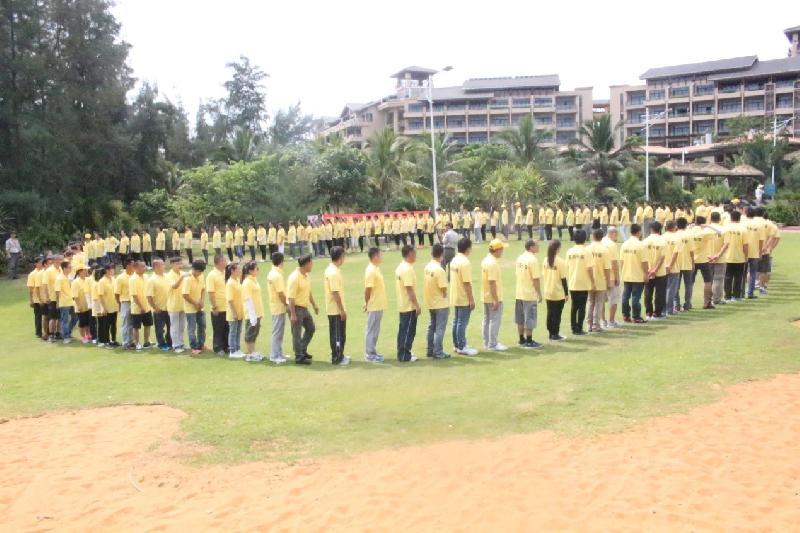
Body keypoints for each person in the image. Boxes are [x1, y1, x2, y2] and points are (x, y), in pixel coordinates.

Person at [287, 254, 318, 365]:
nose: (312, 265)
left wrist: (314, 305)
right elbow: (291, 297)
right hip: (295, 308)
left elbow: (308, 292)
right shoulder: (294, 277)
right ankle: (299, 356)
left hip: (304, 308)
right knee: (297, 332)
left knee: (311, 328)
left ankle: (302, 349)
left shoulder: (306, 276)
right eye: (311, 263)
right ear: (306, 264)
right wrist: (293, 314)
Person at [450, 238, 478, 356]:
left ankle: (457, 345)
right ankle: (461, 346)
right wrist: (471, 299)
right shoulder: (465, 262)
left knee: (456, 321)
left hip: (455, 294)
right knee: (461, 323)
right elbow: (467, 283)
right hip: (463, 296)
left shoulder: (454, 260)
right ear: (468, 248)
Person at [481, 239, 509, 351]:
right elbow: (492, 282)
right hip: (492, 296)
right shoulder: (492, 263)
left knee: (487, 320)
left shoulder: (486, 260)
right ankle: (492, 344)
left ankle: (487, 342)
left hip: (485, 295)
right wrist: (495, 299)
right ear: (497, 250)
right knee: (494, 320)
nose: (502, 252)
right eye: (501, 249)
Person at [514, 240, 543, 349]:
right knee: (529, 318)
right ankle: (529, 341)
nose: (539, 247)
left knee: (520, 318)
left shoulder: (520, 258)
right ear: (531, 247)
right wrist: (539, 293)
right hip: (529, 293)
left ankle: (522, 339)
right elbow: (535, 279)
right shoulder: (533, 260)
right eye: (537, 245)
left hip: (519, 292)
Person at [566, 230, 595, 336]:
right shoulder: (587, 252)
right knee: (582, 307)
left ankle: (573, 327)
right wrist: (592, 281)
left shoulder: (569, 251)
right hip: (583, 283)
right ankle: (579, 327)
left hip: (573, 282)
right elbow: (590, 269)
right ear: (584, 238)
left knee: (574, 306)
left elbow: (567, 266)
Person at [423, 244, 450, 359]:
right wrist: (445, 294)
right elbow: (443, 288)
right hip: (440, 303)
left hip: (431, 301)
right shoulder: (439, 270)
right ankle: (438, 351)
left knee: (432, 327)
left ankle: (430, 350)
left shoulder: (427, 267)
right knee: (439, 329)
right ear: (442, 254)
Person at [324, 246, 349, 366]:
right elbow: (335, 293)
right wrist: (342, 310)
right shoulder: (333, 273)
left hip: (335, 309)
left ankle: (339, 355)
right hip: (335, 310)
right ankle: (337, 357)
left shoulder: (333, 270)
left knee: (338, 334)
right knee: (338, 335)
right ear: (341, 257)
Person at [395, 244, 420, 362]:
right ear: (410, 254)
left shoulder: (401, 266)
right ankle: (404, 355)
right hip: (408, 305)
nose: (416, 256)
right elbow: (409, 288)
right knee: (408, 331)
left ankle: (403, 352)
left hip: (402, 303)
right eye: (415, 253)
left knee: (403, 330)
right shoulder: (407, 269)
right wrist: (416, 305)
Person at [620, 223, 649, 323]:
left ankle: (625, 315)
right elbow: (644, 262)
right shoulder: (641, 245)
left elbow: (621, 261)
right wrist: (646, 274)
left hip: (626, 274)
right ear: (639, 232)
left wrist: (623, 271)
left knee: (625, 296)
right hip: (638, 275)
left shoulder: (624, 244)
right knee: (636, 297)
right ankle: (636, 316)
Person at [241, 260, 268, 363]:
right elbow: (248, 299)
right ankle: (250, 354)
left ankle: (253, 351)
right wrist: (252, 315)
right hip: (251, 313)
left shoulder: (254, 280)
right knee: (250, 334)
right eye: (256, 268)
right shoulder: (247, 282)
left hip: (257, 311)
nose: (258, 270)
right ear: (250, 271)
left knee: (255, 333)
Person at [363, 247, 387, 363]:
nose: (382, 257)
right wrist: (366, 303)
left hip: (378, 304)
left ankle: (373, 352)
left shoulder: (376, 268)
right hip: (374, 304)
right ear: (375, 256)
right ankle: (369, 354)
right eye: (380, 255)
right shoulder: (371, 270)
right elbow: (367, 289)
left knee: (375, 330)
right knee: (371, 330)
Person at [541, 240, 568, 341]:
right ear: (558, 249)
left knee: (550, 313)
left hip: (548, 291)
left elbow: (544, 275)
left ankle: (550, 333)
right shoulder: (561, 261)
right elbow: (563, 279)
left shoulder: (545, 260)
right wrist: (566, 293)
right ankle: (555, 334)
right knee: (557, 314)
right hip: (558, 292)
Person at [586, 229, 611, 333]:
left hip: (589, 280)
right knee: (598, 304)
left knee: (590, 302)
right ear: (602, 237)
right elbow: (607, 268)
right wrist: (608, 281)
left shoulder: (587, 248)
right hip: (600, 280)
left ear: (593, 236)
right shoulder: (605, 250)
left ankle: (589, 325)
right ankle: (596, 325)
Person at [266, 252, 289, 364]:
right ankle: (275, 355)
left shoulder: (272, 273)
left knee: (278, 331)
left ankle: (278, 353)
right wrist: (286, 304)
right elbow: (280, 294)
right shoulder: (277, 275)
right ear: (281, 261)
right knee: (278, 332)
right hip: (278, 306)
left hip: (275, 305)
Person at [692, 216, 718, 309]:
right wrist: (708, 226)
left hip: (692, 260)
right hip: (703, 260)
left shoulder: (690, 231)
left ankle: (688, 303)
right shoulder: (704, 233)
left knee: (690, 282)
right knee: (707, 281)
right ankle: (706, 303)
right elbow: (718, 232)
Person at [642, 221, 667, 319]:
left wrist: (649, 270)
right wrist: (655, 269)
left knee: (648, 292)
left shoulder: (645, 241)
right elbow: (662, 257)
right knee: (660, 293)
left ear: (651, 229)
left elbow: (642, 258)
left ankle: (648, 313)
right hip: (660, 272)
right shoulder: (663, 241)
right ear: (660, 229)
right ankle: (657, 313)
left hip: (647, 270)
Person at [182, 260, 207, 356]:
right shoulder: (187, 279)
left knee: (202, 325)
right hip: (190, 308)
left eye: (201, 272)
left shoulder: (201, 276)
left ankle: (201, 345)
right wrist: (195, 303)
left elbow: (203, 289)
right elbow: (185, 295)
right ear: (193, 269)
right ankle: (194, 347)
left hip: (199, 306)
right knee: (192, 328)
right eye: (198, 271)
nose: (200, 273)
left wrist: (201, 301)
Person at [146, 259, 172, 351]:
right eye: (162, 265)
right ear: (156, 266)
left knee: (170, 327)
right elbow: (149, 296)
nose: (164, 266)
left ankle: (170, 342)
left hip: (169, 307)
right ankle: (161, 344)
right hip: (159, 309)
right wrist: (155, 307)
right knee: (160, 329)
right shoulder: (151, 280)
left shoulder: (167, 276)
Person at [722, 210, 748, 302]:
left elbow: (723, 242)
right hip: (739, 257)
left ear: (731, 218)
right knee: (738, 277)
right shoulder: (743, 229)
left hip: (728, 256)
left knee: (728, 277)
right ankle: (736, 296)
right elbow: (745, 245)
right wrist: (746, 256)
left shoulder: (726, 228)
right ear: (739, 218)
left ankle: (727, 296)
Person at [206, 254, 229, 356]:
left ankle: (226, 347)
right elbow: (211, 292)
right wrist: (214, 306)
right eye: (224, 261)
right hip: (218, 307)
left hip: (227, 306)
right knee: (218, 329)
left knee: (226, 328)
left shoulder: (225, 273)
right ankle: (218, 348)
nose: (226, 262)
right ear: (219, 262)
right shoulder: (212, 275)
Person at [129, 260, 153, 351]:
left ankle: (146, 342)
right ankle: (137, 343)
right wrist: (141, 307)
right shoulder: (133, 279)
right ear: (136, 268)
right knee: (136, 327)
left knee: (148, 325)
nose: (144, 268)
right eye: (142, 266)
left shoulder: (146, 277)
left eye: (144, 266)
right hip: (137, 308)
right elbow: (134, 295)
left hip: (147, 306)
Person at [166, 257, 188, 353]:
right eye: (177, 264)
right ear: (172, 264)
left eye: (180, 263)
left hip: (183, 304)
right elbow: (174, 286)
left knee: (182, 326)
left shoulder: (183, 273)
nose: (179, 265)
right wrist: (182, 277)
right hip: (173, 305)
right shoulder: (169, 275)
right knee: (175, 326)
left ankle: (181, 343)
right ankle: (176, 345)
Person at [95, 265, 119, 348]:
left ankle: (113, 340)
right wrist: (104, 308)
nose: (112, 271)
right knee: (106, 325)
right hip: (107, 307)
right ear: (107, 270)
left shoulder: (113, 279)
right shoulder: (102, 281)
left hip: (114, 306)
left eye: (113, 269)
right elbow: (100, 295)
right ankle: (106, 342)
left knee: (114, 324)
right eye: (111, 269)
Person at [674, 218, 695, 311]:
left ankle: (677, 305)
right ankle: (687, 304)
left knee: (676, 286)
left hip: (676, 264)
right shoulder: (689, 235)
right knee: (688, 285)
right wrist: (693, 262)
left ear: (676, 225)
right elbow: (692, 251)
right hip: (687, 263)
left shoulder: (674, 235)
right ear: (686, 225)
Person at [225, 262, 245, 359]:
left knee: (238, 331)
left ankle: (237, 349)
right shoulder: (230, 283)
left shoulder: (237, 281)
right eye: (238, 269)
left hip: (240, 310)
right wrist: (234, 312)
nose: (240, 271)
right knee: (233, 331)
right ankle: (232, 351)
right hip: (233, 312)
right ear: (232, 271)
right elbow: (230, 300)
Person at [707, 211, 727, 305]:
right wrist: (718, 255)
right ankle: (716, 299)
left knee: (708, 280)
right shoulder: (723, 229)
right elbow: (726, 244)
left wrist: (707, 255)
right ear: (719, 219)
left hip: (707, 258)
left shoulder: (706, 229)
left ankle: (708, 299)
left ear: (710, 219)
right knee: (718, 279)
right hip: (720, 258)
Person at [115, 258, 135, 349]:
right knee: (125, 323)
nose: (134, 266)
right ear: (128, 266)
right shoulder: (120, 278)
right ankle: (125, 342)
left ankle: (131, 341)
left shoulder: (134, 275)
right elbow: (116, 293)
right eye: (132, 265)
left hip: (133, 302)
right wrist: (120, 303)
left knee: (131, 323)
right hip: (125, 302)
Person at [71, 264, 92, 343]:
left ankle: (88, 334)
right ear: (80, 272)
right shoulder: (75, 282)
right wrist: (79, 306)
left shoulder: (87, 280)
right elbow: (75, 296)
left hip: (87, 305)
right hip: (80, 306)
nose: (86, 271)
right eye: (84, 270)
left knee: (87, 321)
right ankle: (83, 337)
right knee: (82, 322)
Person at [54, 262, 74, 343]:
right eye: (69, 267)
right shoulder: (59, 278)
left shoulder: (67, 277)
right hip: (64, 302)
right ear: (64, 268)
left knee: (75, 317)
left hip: (70, 301)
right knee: (65, 320)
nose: (70, 269)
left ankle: (68, 332)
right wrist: (57, 302)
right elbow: (57, 291)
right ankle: (66, 337)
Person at [27, 256, 44, 338]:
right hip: (36, 299)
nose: (42, 264)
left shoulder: (45, 272)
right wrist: (31, 300)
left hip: (45, 298)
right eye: (40, 262)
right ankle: (38, 332)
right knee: (38, 316)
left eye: (42, 262)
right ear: (35, 264)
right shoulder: (32, 274)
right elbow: (30, 289)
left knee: (47, 316)